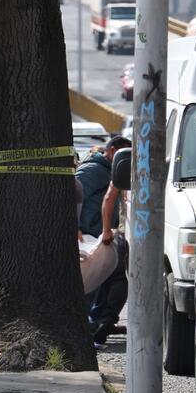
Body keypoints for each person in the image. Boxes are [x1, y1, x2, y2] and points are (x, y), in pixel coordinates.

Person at [76, 135, 132, 348]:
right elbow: (74, 193)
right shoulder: (93, 170)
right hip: (88, 235)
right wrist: (77, 226)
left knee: (107, 278)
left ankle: (97, 324)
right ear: (113, 151)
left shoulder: (108, 170)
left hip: (98, 235)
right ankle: (90, 328)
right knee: (92, 282)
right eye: (124, 154)